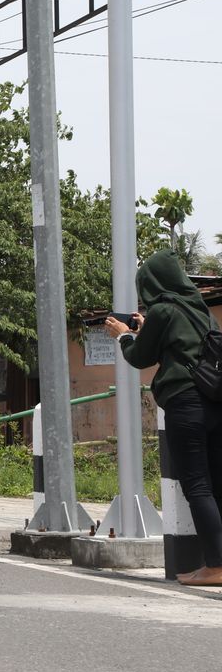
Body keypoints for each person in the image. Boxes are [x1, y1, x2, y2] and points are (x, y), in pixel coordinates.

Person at [104, 249, 222, 586]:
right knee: (217, 485)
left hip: (185, 404)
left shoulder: (162, 310)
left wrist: (124, 335)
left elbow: (141, 358)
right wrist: (145, 327)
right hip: (214, 402)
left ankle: (215, 566)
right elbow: (177, 345)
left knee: (198, 486)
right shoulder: (201, 311)